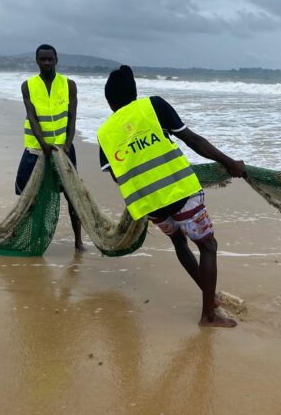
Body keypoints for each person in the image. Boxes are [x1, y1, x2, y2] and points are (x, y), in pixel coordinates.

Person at [97, 65, 245, 328]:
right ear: (134, 92)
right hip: (179, 191)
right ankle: (208, 315)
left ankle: (211, 299)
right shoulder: (152, 106)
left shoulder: (105, 133)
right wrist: (229, 162)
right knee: (208, 246)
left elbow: (117, 176)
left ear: (109, 102)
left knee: (179, 242)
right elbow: (193, 141)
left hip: (150, 204)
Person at [15, 44, 84, 252]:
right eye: (42, 59)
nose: (46, 63)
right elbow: (32, 117)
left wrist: (68, 143)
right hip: (36, 149)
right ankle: (28, 235)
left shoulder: (69, 84)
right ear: (37, 61)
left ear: (56, 60)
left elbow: (72, 118)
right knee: (26, 192)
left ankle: (78, 241)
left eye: (50, 59)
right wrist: (43, 144)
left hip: (64, 149)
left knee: (72, 195)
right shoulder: (28, 85)